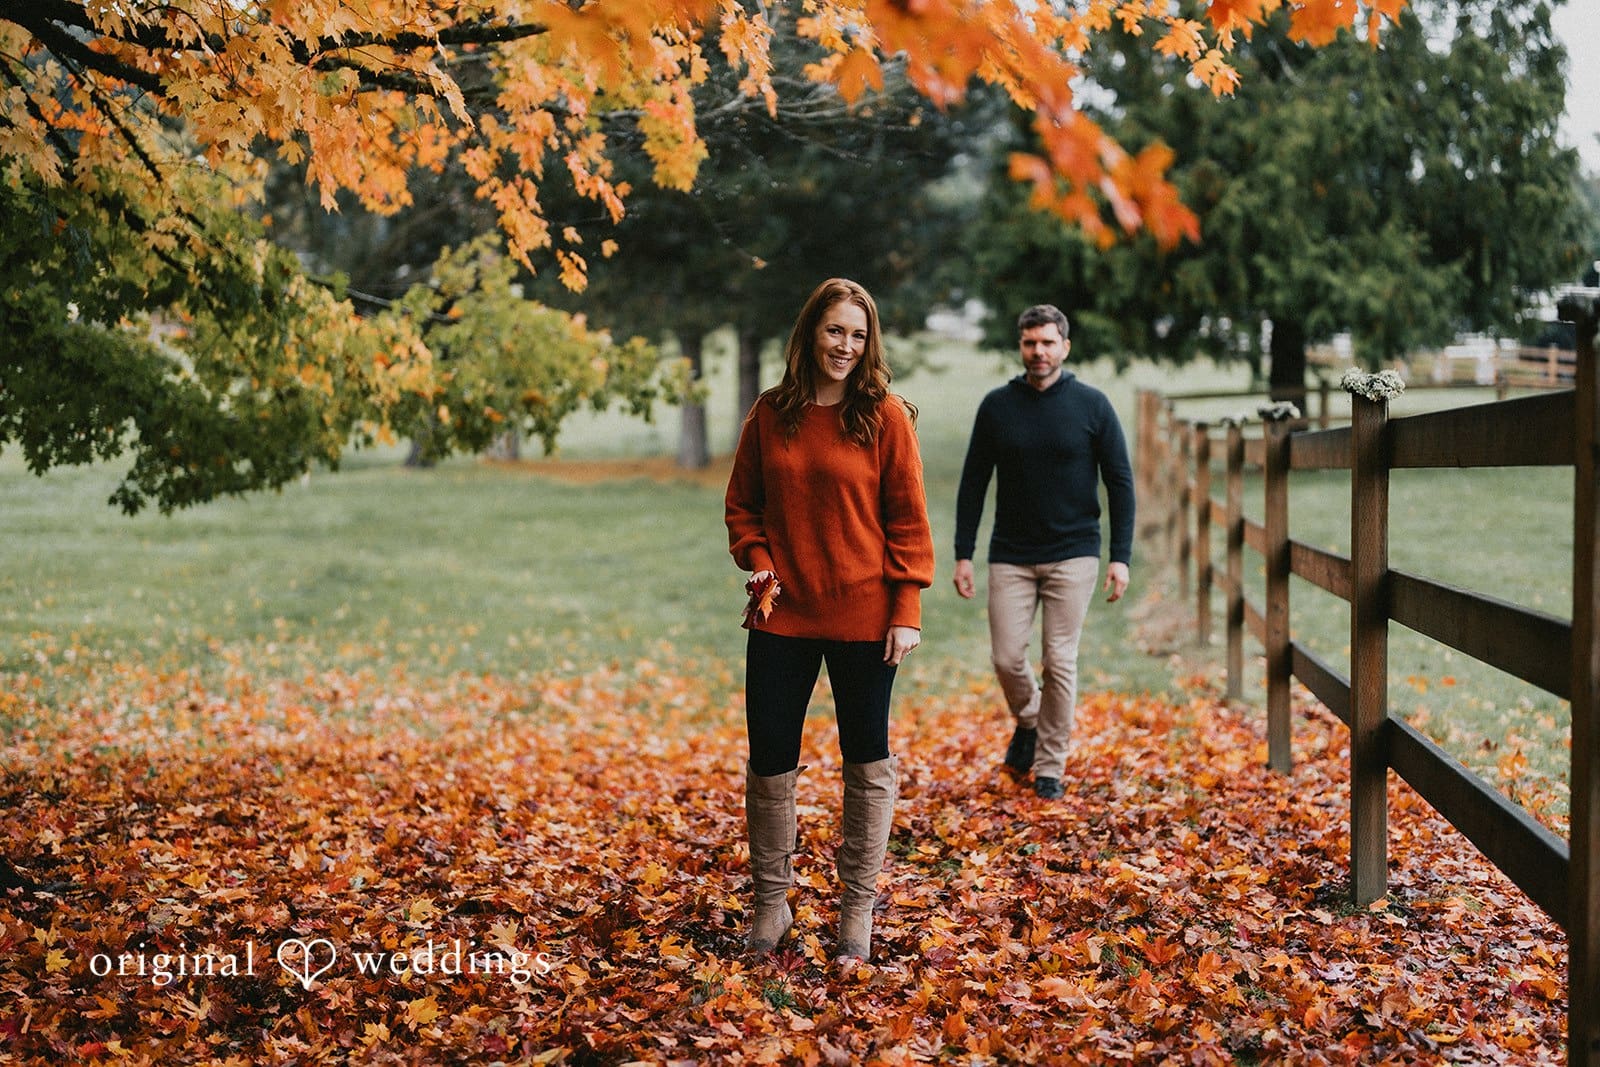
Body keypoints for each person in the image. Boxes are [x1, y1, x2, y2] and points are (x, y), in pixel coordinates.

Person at [725, 277, 935, 963]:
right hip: (781, 615)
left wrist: (906, 609)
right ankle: (771, 905)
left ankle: (855, 913)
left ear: (868, 342)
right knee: (770, 764)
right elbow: (743, 508)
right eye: (834, 330)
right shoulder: (770, 412)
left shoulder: (886, 417)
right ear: (811, 332)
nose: (845, 345)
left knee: (867, 763)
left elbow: (908, 520)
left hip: (866, 615)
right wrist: (759, 565)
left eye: (858, 334)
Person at [952, 304, 1134, 800]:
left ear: (1065, 347)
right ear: (1021, 346)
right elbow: (973, 482)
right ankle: (1031, 721)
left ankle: (1050, 766)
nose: (1039, 352)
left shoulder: (1093, 406)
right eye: (1031, 343)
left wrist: (1121, 555)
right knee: (1008, 657)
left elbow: (1119, 481)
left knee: (1060, 660)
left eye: (1048, 342)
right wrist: (963, 552)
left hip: (1074, 552)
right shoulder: (997, 406)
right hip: (1010, 553)